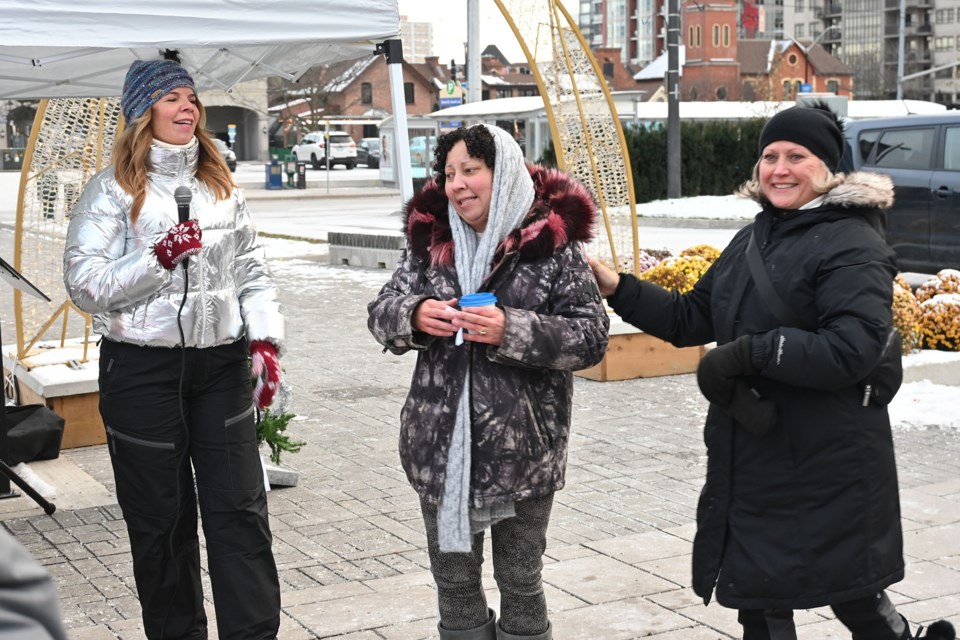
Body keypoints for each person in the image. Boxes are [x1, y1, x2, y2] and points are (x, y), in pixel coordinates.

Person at [590, 104, 956, 640]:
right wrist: (617, 287)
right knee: (758, 598)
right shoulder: (754, 238)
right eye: (769, 156)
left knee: (852, 592)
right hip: (755, 451)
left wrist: (749, 354)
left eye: (796, 156)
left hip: (827, 459)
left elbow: (850, 349)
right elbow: (692, 316)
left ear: (828, 167)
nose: (779, 169)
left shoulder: (853, 242)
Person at [63, 58, 284, 640]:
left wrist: (264, 337)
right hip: (142, 369)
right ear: (142, 114)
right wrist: (155, 259)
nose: (188, 107)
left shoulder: (221, 186)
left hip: (220, 366)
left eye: (191, 97)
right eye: (171, 98)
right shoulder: (112, 190)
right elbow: (84, 282)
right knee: (162, 522)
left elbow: (253, 270)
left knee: (240, 512)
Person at [367, 124, 609, 640]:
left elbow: (590, 338)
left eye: (471, 170)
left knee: (521, 579)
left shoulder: (552, 248)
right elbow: (381, 310)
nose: (457, 185)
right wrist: (413, 315)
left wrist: (511, 328)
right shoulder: (432, 243)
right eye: (450, 173)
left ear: (504, 174)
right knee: (453, 581)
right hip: (439, 444)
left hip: (523, 448)